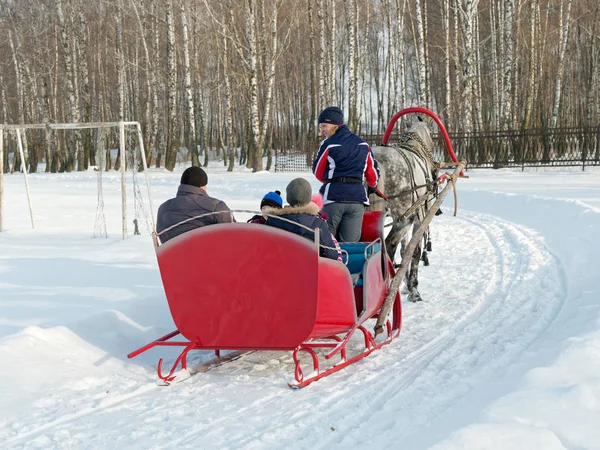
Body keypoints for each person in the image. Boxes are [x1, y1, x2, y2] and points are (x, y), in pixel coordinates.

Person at [312, 106, 380, 242]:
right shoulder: (363, 144)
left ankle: (329, 263)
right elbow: (372, 175)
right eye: (320, 127)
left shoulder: (328, 144)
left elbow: (318, 172)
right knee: (350, 244)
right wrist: (373, 186)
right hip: (356, 201)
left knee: (326, 243)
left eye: (324, 126)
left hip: (333, 199)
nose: (322, 130)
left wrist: (330, 176)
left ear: (335, 124)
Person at [263, 178, 341, 261]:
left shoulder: (272, 222)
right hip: (310, 270)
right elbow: (332, 255)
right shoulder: (318, 224)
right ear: (308, 198)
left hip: (279, 269)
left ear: (287, 197)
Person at [156, 166, 233, 243]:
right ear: (202, 187)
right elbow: (234, 233)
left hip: (172, 254)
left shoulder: (163, 208)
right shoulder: (215, 206)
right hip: (208, 253)